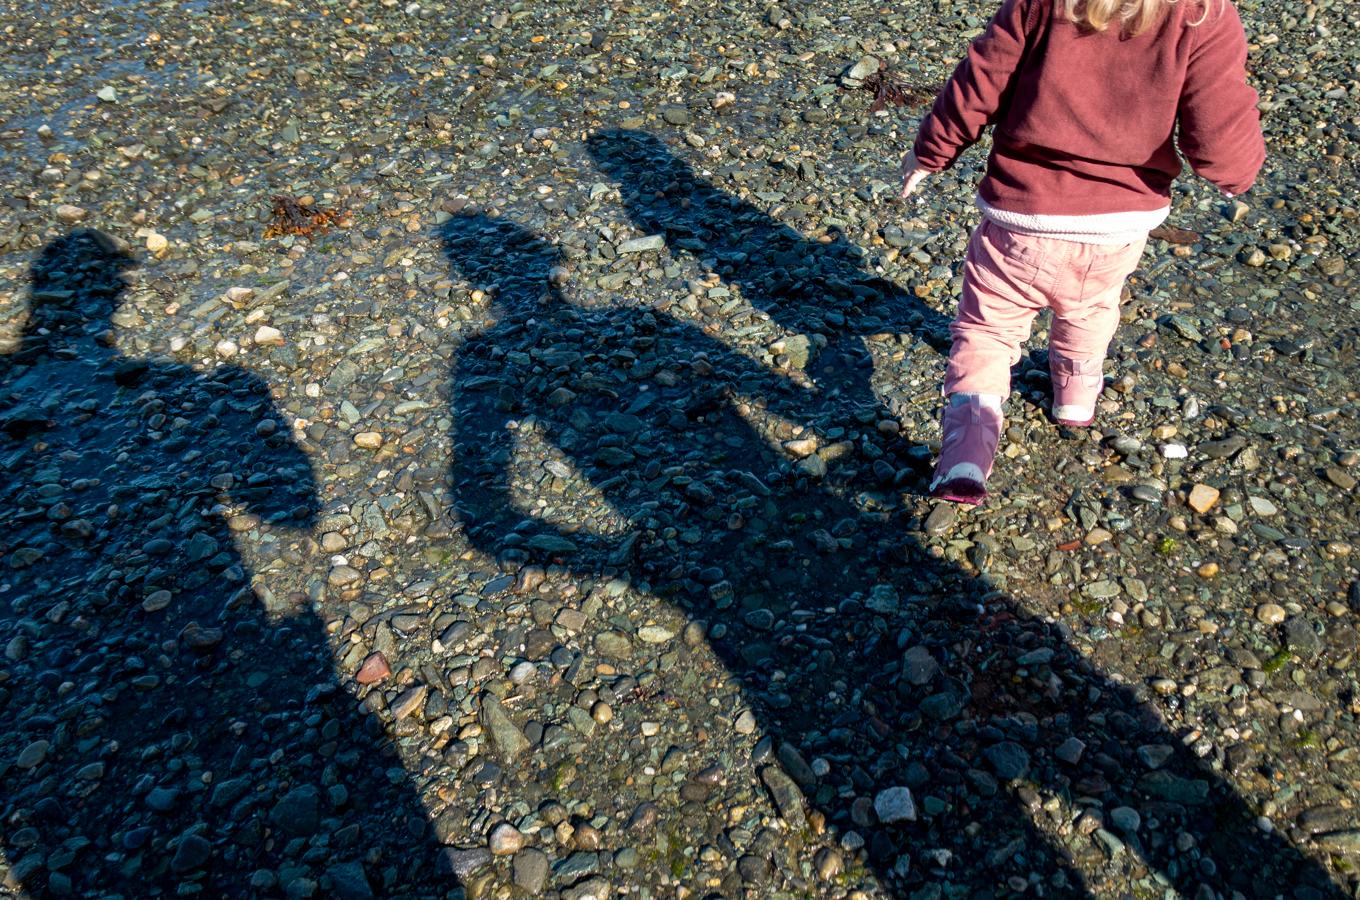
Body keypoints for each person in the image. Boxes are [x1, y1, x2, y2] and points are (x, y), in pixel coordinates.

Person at [900, 0, 1265, 504]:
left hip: (1023, 213)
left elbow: (980, 80)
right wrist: (1235, 171)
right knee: (1091, 305)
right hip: (1119, 222)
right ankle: (1074, 400)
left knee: (989, 328)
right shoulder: (1203, 13)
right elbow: (1220, 108)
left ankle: (966, 455)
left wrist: (930, 152)